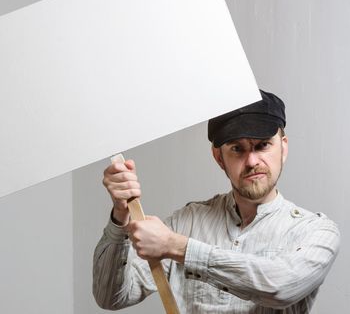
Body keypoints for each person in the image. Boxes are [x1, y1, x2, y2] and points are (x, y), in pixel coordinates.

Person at [93, 90, 340, 313]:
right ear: (219, 158)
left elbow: (281, 287)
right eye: (237, 149)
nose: (252, 161)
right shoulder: (187, 221)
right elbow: (112, 298)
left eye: (263, 145)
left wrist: (179, 248)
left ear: (283, 148)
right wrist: (121, 214)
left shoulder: (314, 231)